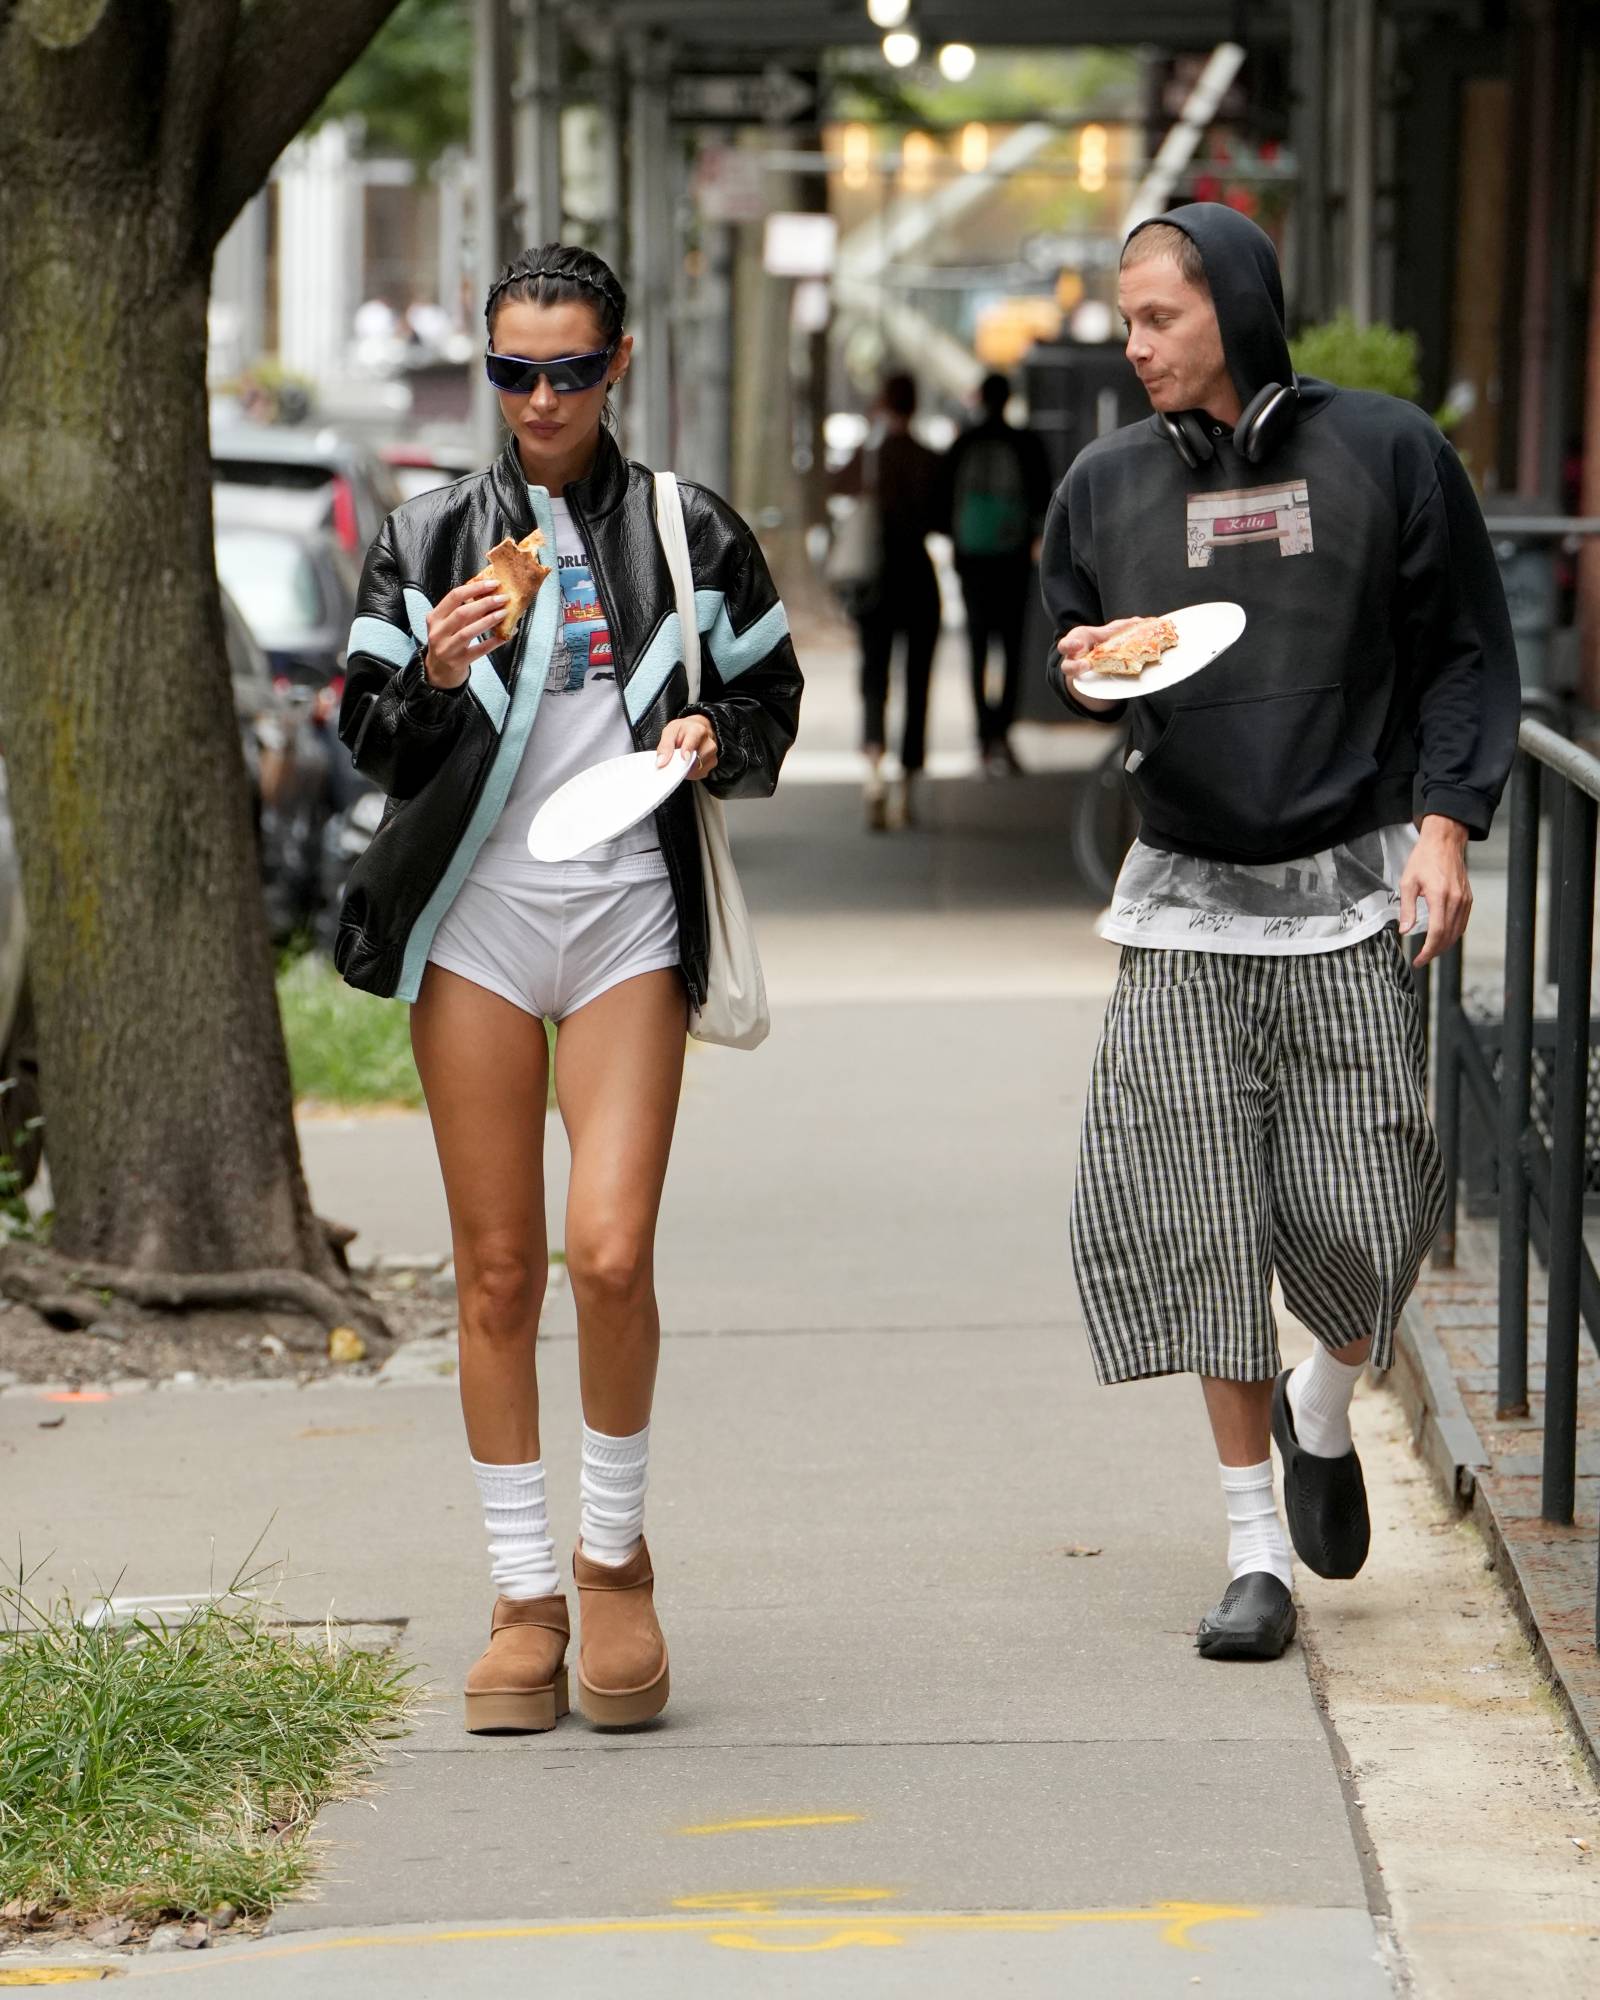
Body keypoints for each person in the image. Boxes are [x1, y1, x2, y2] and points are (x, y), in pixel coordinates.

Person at [335, 243, 802, 1732]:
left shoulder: (688, 527)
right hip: (472, 921)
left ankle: (617, 1566)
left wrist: (715, 739)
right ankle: (524, 1596)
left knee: (607, 1254)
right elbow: (368, 737)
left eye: (570, 369)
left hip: (623, 920)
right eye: (512, 371)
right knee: (493, 1270)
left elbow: (771, 697)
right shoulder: (423, 537)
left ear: (619, 366)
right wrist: (435, 661)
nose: (540, 398)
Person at [1041, 205, 1518, 1661]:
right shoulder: (1106, 485)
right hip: (1183, 899)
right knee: (1205, 1220)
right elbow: (1077, 640)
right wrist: (1085, 672)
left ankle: (1324, 1403)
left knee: (1376, 1208)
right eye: (1125, 320)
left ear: (1236, 309)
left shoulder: (1384, 453)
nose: (1131, 347)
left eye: (1156, 319)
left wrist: (1445, 825)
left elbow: (1463, 654)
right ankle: (1254, 1549)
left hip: (1350, 884)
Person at [835, 372, 947, 829]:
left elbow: (834, 485)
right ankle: (907, 789)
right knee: (918, 684)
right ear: (916, 405)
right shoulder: (928, 458)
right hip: (919, 579)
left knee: (874, 678)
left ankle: (874, 773)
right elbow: (943, 520)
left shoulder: (870, 457)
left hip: (875, 582)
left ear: (883, 403)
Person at [944, 371, 1052, 775]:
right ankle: (1003, 731)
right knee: (1012, 648)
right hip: (1011, 560)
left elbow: (942, 502)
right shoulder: (1025, 443)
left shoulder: (963, 443)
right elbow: (1044, 497)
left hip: (973, 561)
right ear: (1008, 400)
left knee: (976, 647)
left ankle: (982, 735)